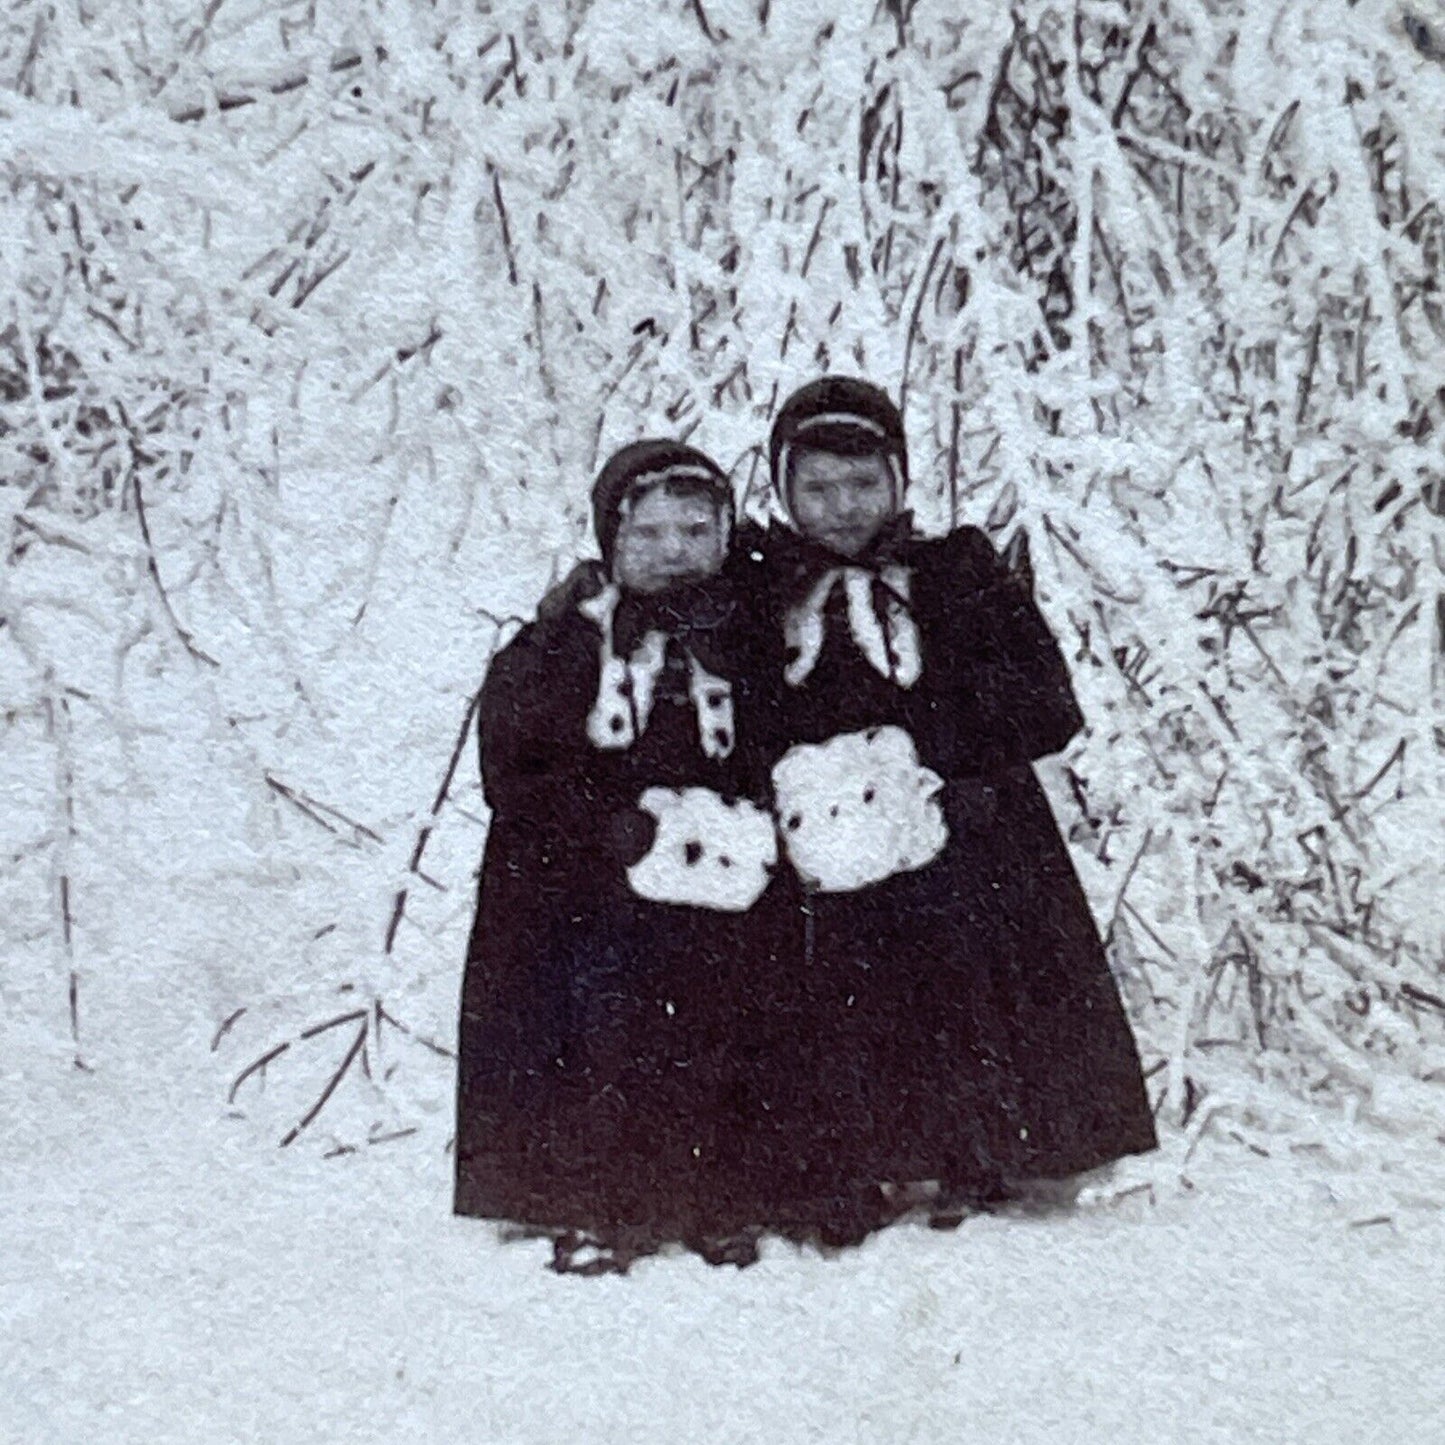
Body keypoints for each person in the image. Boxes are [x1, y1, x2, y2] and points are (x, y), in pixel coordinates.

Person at [729, 375, 1158, 1241]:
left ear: (898, 481)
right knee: (845, 997)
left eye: (862, 485)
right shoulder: (761, 587)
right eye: (816, 488)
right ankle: (865, 1158)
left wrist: (937, 755)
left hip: (967, 831)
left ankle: (984, 1150)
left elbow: (1047, 701)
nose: (841, 508)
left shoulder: (957, 569)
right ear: (782, 490)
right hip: (828, 842)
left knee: (967, 986)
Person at [453, 440, 783, 1273]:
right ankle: (598, 1205)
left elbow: (785, 742)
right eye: (649, 534)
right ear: (611, 540)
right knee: (603, 1043)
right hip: (594, 896)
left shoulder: (751, 633)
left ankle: (715, 1197)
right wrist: (601, 826)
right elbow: (513, 766)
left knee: (721, 1035)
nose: (674, 551)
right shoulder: (562, 643)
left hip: (719, 887)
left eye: (696, 530)